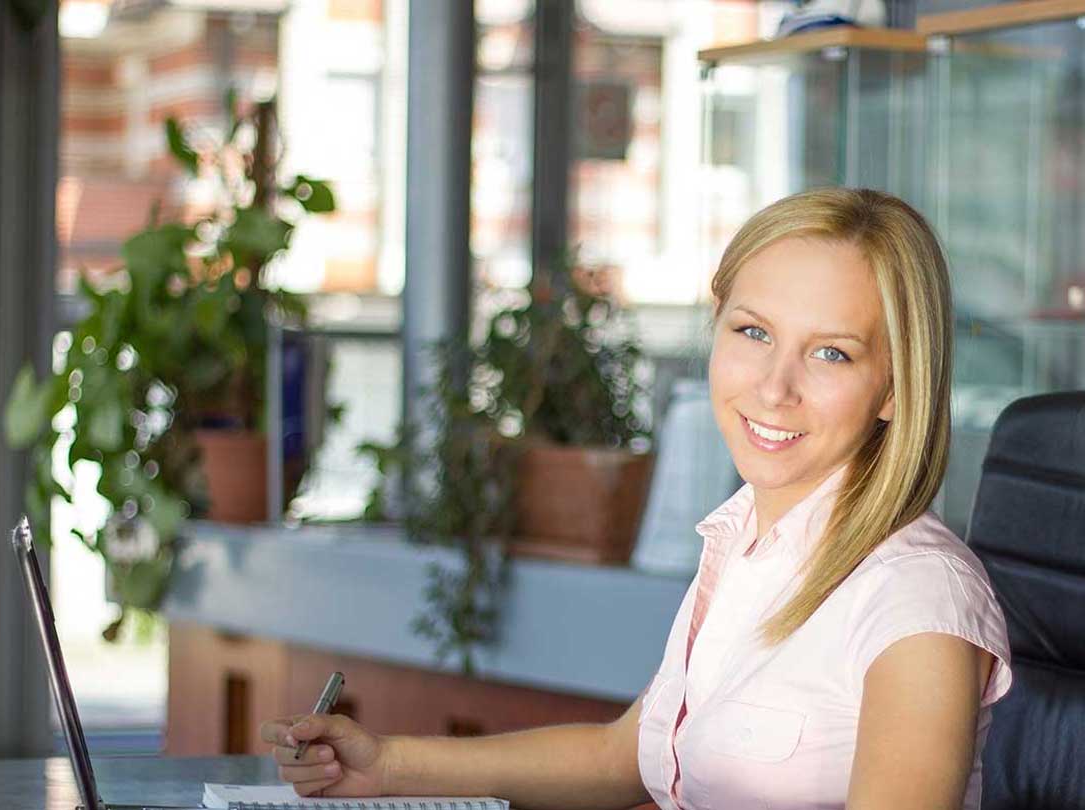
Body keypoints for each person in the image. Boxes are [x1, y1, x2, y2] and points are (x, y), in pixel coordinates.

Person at [260, 187, 1013, 810]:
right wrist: (385, 767)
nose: (774, 388)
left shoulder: (916, 598)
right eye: (752, 332)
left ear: (895, 387)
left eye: (830, 353)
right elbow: (626, 755)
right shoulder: (750, 544)